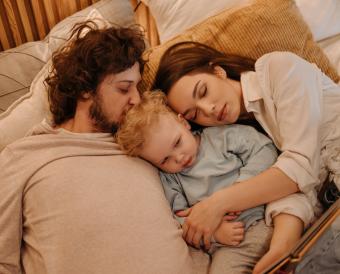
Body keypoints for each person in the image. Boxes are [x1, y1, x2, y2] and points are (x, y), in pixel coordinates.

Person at [0, 22, 195, 274]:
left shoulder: (145, 143)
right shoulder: (24, 155)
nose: (136, 99)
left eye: (137, 87)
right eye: (124, 88)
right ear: (84, 89)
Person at [151, 41, 340, 273]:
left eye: (203, 91)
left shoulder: (277, 69)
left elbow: (300, 168)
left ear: (217, 71)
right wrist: (281, 250)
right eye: (194, 113)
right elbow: (290, 187)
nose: (208, 109)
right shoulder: (243, 138)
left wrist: (216, 204)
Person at [116, 90, 277, 273]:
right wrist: (215, 233)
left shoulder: (221, 137)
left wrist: (242, 187)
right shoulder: (170, 179)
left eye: (177, 143)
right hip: (228, 245)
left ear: (183, 123)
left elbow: (265, 149)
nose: (179, 157)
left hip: (263, 217)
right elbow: (179, 220)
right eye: (165, 160)